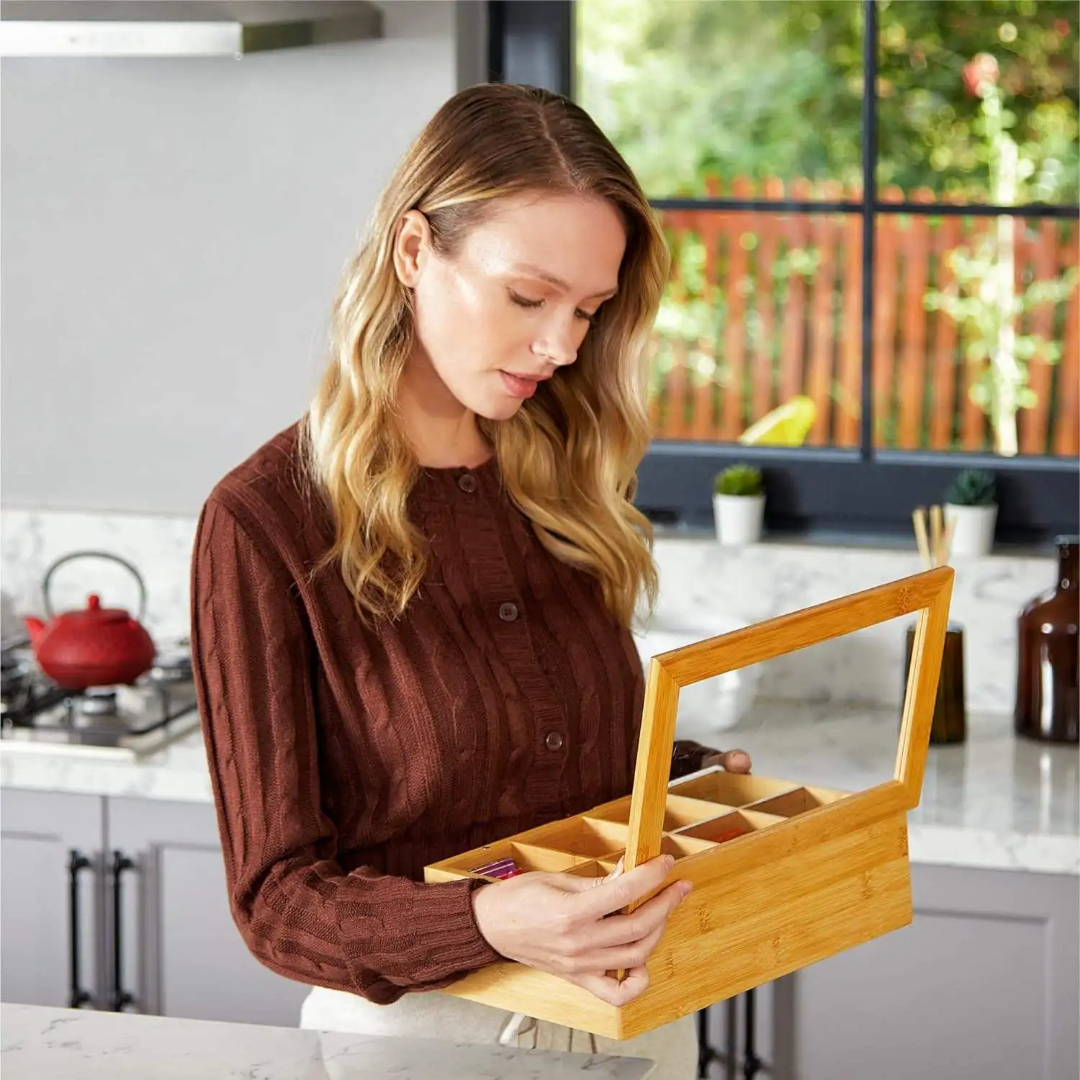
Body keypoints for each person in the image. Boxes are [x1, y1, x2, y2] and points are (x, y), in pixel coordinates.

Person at [190, 82, 752, 1078]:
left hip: (644, 1019)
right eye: (528, 298)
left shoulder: (564, 478)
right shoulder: (266, 523)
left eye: (588, 308)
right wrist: (487, 918)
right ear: (415, 251)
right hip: (428, 1042)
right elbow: (276, 901)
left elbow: (538, 761)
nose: (563, 345)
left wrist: (680, 775)